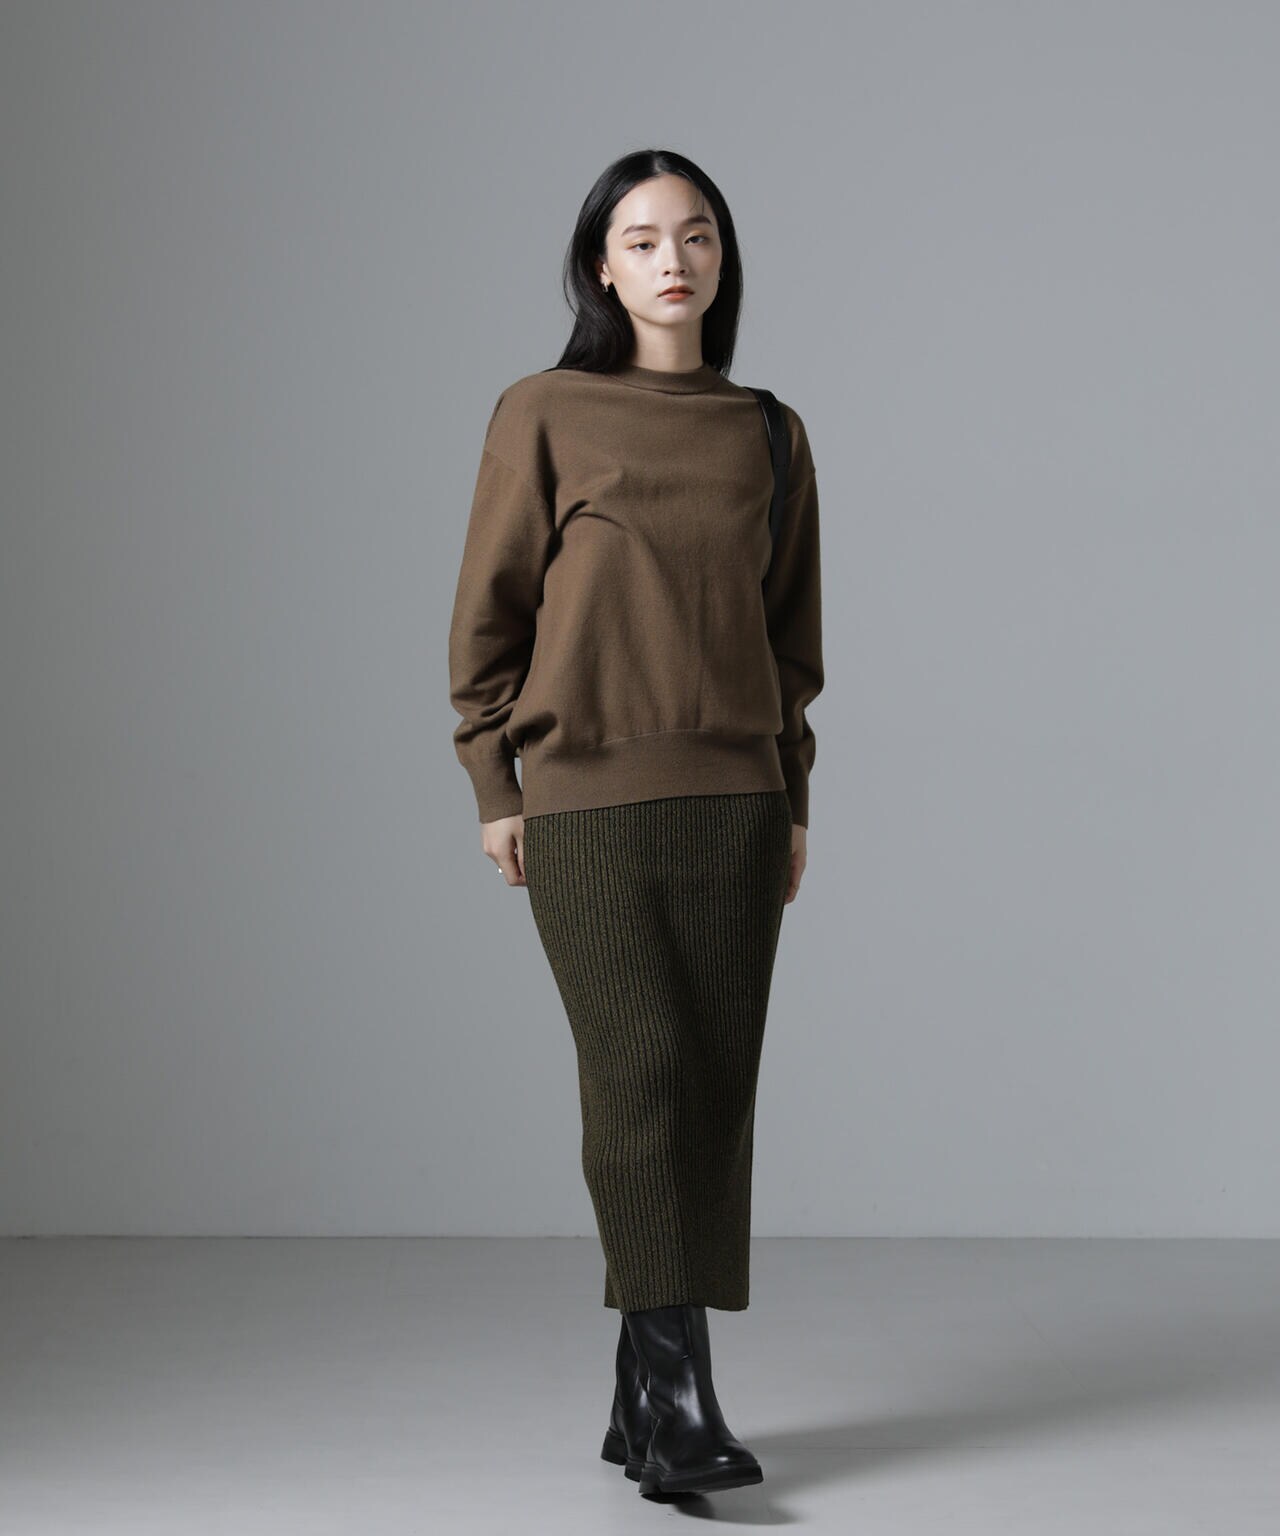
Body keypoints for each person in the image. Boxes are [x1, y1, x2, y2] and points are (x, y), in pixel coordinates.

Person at [447, 148, 824, 1498]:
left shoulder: (768, 432)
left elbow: (790, 645)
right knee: (645, 1074)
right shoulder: (544, 412)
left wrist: (793, 796)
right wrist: (494, 783)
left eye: (698, 234)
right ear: (601, 269)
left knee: (709, 1094)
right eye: (645, 238)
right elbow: (488, 616)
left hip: (737, 803)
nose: (676, 260)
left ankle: (636, 1404)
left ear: (724, 259)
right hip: (588, 801)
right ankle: (680, 1398)